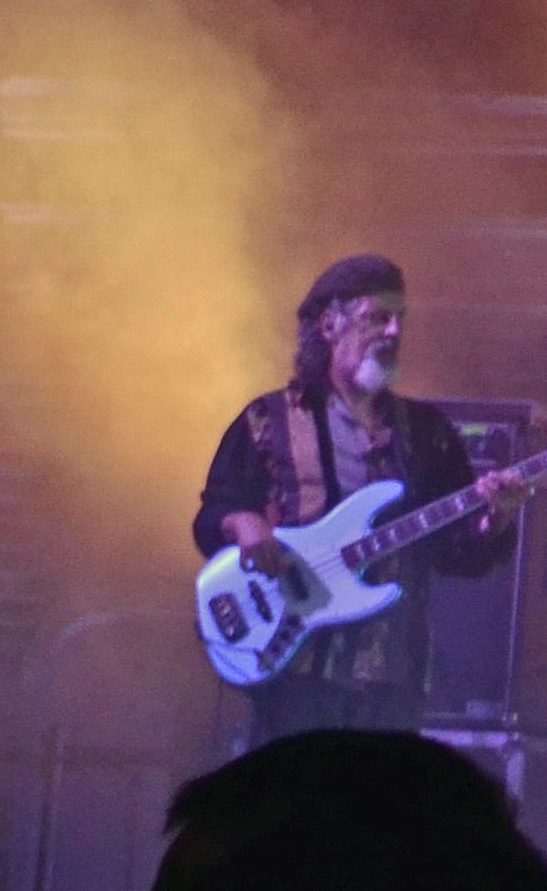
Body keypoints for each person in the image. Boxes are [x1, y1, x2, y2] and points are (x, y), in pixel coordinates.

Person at [194, 253, 507, 744]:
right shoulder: (267, 420)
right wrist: (242, 522)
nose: (393, 331)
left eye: (400, 319)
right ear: (330, 324)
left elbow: (459, 556)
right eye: (377, 317)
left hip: (393, 680)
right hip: (295, 672)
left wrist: (495, 518)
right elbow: (213, 511)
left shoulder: (427, 435)